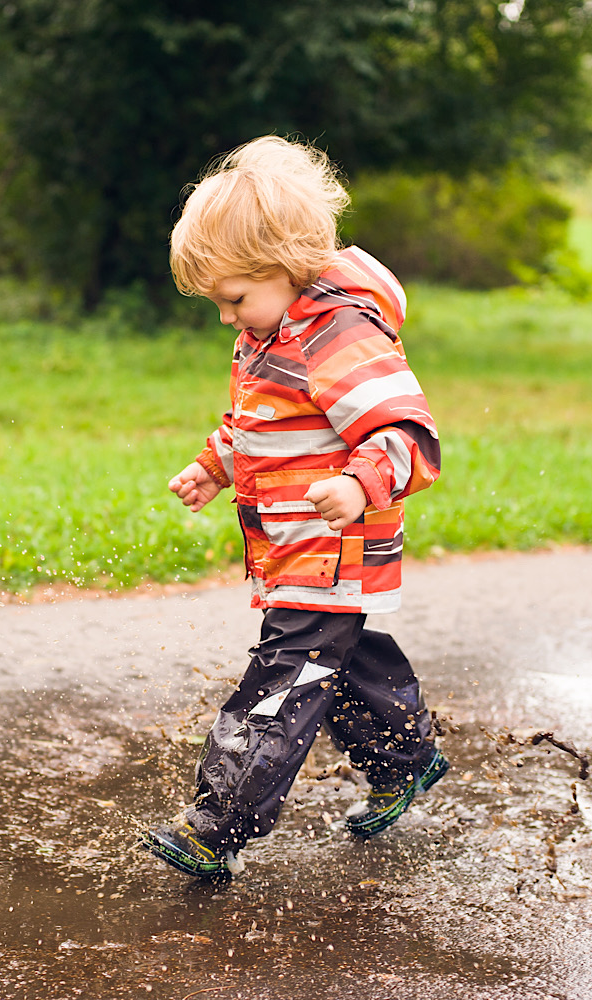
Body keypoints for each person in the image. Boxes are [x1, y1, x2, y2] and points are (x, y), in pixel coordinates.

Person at [141, 136, 447, 879]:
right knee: (337, 660)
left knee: (288, 676)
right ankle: (406, 755)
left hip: (331, 542)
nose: (225, 319)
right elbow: (263, 420)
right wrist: (215, 465)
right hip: (298, 544)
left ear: (284, 266)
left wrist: (358, 484)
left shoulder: (337, 332)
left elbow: (407, 432)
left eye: (233, 299)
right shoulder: (269, 329)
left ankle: (219, 823)